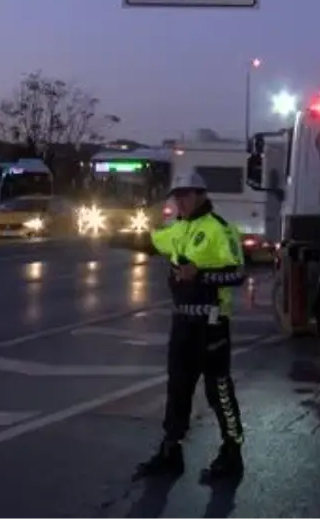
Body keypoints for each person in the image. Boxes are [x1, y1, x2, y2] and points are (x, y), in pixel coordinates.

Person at [108, 172, 246, 484]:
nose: (179, 201)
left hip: (212, 325)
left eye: (185, 195)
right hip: (182, 323)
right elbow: (151, 243)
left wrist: (200, 275)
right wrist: (111, 236)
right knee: (178, 389)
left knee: (218, 390)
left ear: (200, 194)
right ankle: (171, 452)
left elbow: (238, 274)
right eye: (176, 196)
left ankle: (232, 453)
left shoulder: (219, 229)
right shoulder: (178, 229)